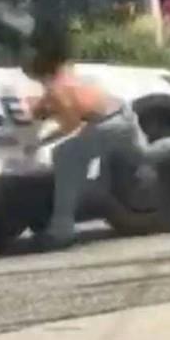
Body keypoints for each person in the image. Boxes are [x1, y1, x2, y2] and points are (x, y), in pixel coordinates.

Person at [23, 18, 151, 250]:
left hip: (108, 125)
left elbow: (71, 127)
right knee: (144, 160)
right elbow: (66, 99)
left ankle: (62, 228)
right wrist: (45, 108)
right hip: (125, 115)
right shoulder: (66, 72)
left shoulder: (57, 90)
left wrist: (41, 140)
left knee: (66, 155)